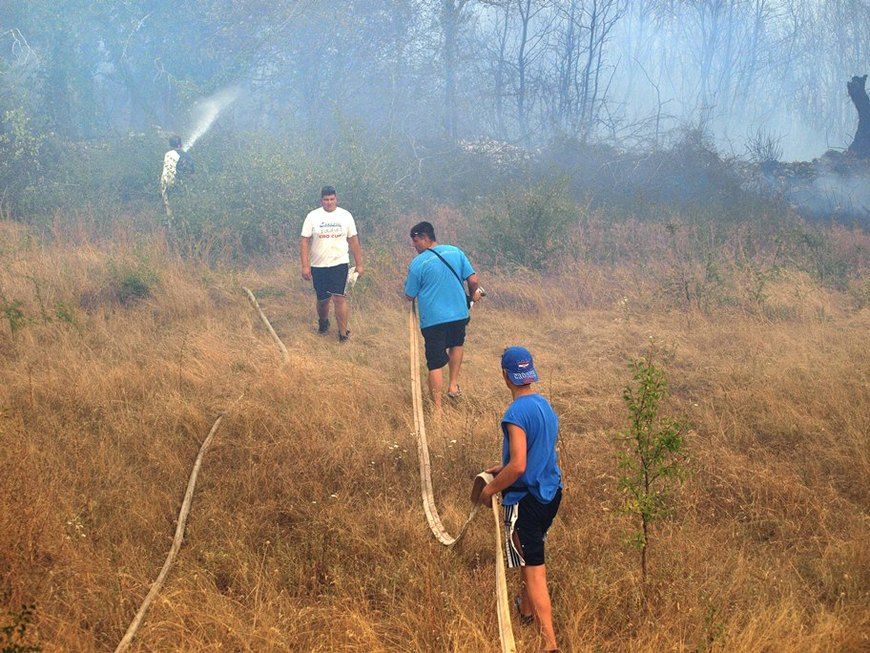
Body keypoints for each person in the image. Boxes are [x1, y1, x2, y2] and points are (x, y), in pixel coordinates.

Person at [478, 346, 563, 653]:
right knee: (532, 551)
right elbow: (536, 451)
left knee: (534, 569)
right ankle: (525, 611)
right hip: (551, 495)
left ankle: (550, 644)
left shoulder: (514, 413)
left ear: (505, 376)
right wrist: (505, 467)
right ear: (530, 374)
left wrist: (489, 490)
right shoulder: (544, 405)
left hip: (526, 501)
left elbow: (519, 466)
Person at [404, 221, 483, 410]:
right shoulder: (456, 252)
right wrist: (473, 294)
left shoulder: (417, 264)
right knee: (456, 345)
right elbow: (473, 279)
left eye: (415, 242)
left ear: (424, 238)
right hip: (459, 314)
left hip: (433, 320)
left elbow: (409, 295)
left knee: (435, 362)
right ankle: (453, 385)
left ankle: (438, 408)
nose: (414, 246)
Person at [300, 186, 364, 342]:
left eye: (332, 199)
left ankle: (343, 333)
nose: (329, 202)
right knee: (323, 300)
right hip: (319, 265)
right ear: (321, 200)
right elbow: (304, 241)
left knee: (339, 298)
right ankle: (323, 322)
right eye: (326, 200)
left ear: (336, 199)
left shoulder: (345, 216)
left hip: (340, 263)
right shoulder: (312, 216)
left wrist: (359, 264)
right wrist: (305, 266)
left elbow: (353, 240)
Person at [159, 135, 194, 224]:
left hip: (165, 185)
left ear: (170, 145)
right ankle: (184, 227)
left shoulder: (167, 155)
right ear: (180, 145)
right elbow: (191, 173)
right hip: (179, 185)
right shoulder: (186, 156)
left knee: (169, 209)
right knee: (184, 208)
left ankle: (171, 228)